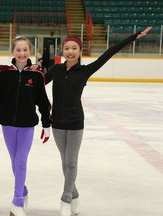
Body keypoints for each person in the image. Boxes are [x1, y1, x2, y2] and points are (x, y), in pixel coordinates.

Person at [44, 26, 152, 216]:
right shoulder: (55, 70)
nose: (70, 51)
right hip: (57, 123)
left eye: (74, 48)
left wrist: (134, 36)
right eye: (67, 48)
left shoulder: (85, 71)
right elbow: (37, 84)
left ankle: (66, 197)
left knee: (71, 162)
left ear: (79, 52)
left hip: (76, 122)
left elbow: (110, 52)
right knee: (64, 161)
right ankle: (75, 193)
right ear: (62, 50)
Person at [0, 36, 51, 216]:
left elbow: (43, 101)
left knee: (21, 161)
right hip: (8, 125)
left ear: (31, 51)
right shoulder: (3, 73)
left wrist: (46, 124)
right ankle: (24, 191)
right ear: (12, 51)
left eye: (25, 50)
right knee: (14, 162)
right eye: (18, 50)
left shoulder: (37, 74)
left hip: (27, 125)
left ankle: (17, 201)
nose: (21, 53)